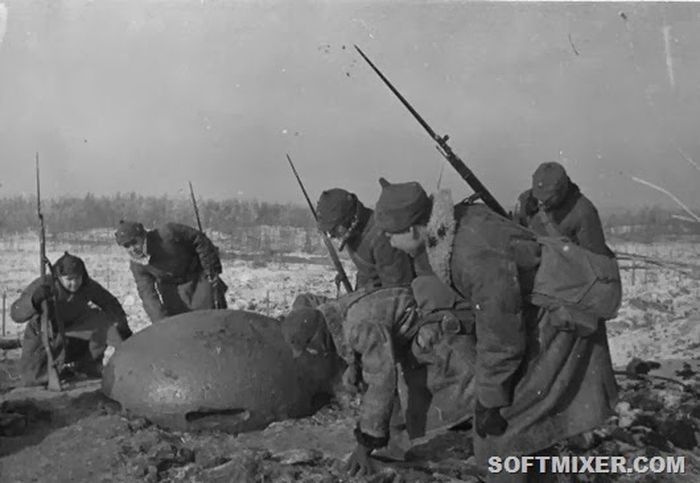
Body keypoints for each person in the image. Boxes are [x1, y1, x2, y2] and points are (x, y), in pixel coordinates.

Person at [373, 178, 618, 481]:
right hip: (545, 308)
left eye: (389, 235)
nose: (387, 242)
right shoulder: (454, 225)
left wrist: (490, 397)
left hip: (563, 315)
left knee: (500, 436)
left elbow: (501, 333)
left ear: (412, 230)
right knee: (524, 423)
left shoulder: (469, 255)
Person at [284, 278, 476, 476]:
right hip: (412, 334)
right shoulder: (334, 316)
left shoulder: (358, 327)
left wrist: (366, 443)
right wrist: (354, 367)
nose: (314, 354)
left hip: (438, 336)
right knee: (410, 411)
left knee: (470, 399)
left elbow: (380, 381)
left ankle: (487, 456)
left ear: (317, 340)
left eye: (311, 349)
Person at [10, 252, 132, 386]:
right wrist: (33, 300)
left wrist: (122, 326)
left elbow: (110, 303)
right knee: (32, 379)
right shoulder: (44, 284)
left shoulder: (88, 286)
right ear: (59, 277)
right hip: (44, 332)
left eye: (77, 278)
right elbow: (16, 313)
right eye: (69, 279)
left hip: (74, 327)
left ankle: (88, 367)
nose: (74, 283)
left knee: (101, 321)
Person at [114, 220, 227, 323]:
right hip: (172, 292)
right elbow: (147, 294)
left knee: (212, 320)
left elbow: (198, 238)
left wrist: (211, 267)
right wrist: (160, 322)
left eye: (134, 242)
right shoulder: (137, 265)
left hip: (198, 278)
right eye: (127, 246)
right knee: (181, 327)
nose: (133, 248)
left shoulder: (167, 233)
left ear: (143, 236)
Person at [316, 188, 415, 291]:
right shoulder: (355, 234)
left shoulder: (382, 238)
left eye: (334, 229)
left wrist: (360, 304)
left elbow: (397, 290)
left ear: (349, 219)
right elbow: (367, 273)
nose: (331, 235)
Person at [514, 161, 614, 257]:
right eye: (538, 196)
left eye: (547, 199)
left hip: (566, 271)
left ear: (561, 190)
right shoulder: (526, 200)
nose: (540, 202)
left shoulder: (583, 212)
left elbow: (595, 260)